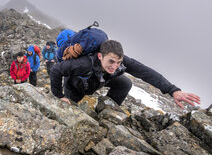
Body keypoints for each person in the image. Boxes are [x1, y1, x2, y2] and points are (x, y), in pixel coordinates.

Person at [50, 39, 200, 108]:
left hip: (99, 80)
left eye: (118, 62)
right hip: (77, 85)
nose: (114, 67)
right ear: (100, 56)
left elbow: (146, 72)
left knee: (125, 83)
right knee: (70, 107)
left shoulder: (120, 62)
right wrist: (59, 96)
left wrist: (173, 90)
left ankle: (106, 111)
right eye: (111, 62)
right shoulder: (82, 64)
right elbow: (57, 70)